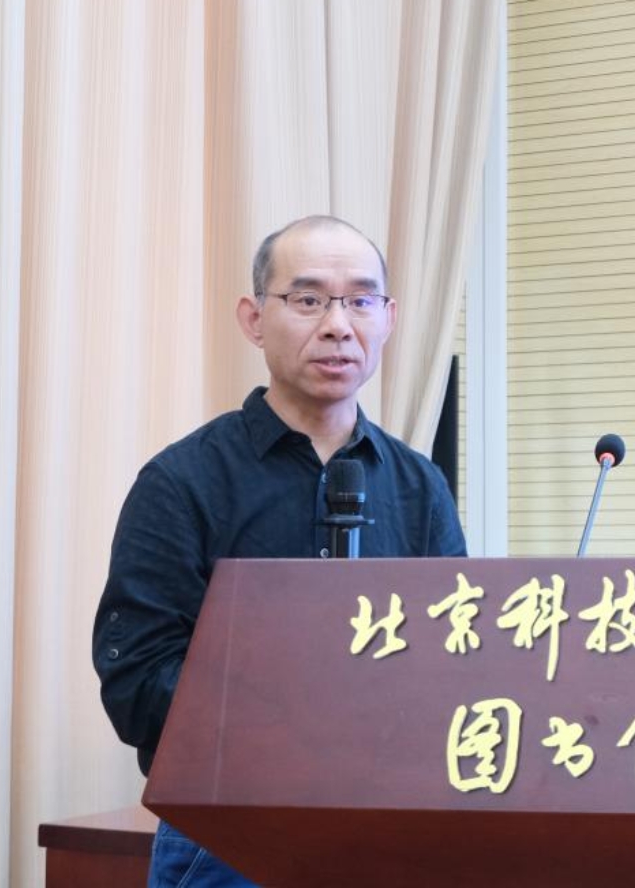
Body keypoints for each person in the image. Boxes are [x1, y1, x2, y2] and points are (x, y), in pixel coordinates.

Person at [93, 215, 466, 887]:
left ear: (388, 319)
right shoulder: (182, 482)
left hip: (390, 825)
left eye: (360, 301)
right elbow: (137, 681)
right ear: (254, 319)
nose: (337, 325)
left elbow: (455, 665)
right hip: (228, 835)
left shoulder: (420, 487)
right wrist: (299, 717)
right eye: (308, 299)